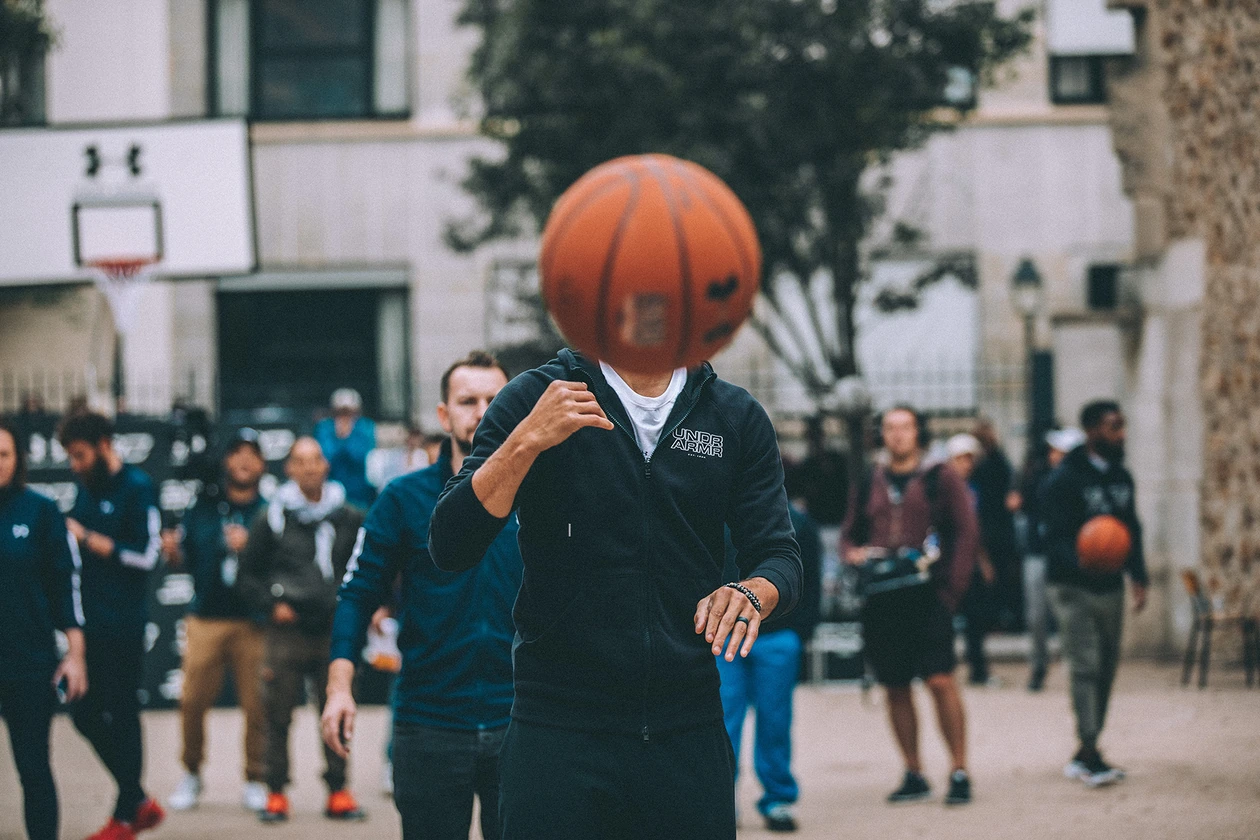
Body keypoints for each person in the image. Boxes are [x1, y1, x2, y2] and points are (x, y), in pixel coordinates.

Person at [428, 348, 803, 840]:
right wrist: (526, 441)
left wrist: (754, 591)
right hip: (557, 727)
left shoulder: (732, 414)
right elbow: (450, 544)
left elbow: (780, 556)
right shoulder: (535, 396)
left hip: (686, 726)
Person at [322, 351, 524, 840]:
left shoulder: (541, 495)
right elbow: (357, 593)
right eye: (467, 400)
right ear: (444, 414)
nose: (481, 411)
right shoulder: (403, 498)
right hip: (429, 723)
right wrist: (339, 686)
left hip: (522, 721)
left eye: (495, 400)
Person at [842, 406, 979, 806]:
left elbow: (967, 533)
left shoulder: (941, 476)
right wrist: (854, 553)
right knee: (895, 685)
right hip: (883, 596)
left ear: (919, 432)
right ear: (881, 434)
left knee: (940, 679)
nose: (898, 435)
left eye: (905, 427)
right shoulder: (870, 478)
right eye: (890, 428)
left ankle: (958, 768)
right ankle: (913, 770)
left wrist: (952, 590)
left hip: (928, 594)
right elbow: (849, 533)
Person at [236, 437, 367, 823]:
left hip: (334, 630)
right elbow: (247, 575)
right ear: (289, 469)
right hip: (287, 633)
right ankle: (275, 792)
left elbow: (367, 568)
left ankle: (339, 790)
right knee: (276, 714)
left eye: (316, 461)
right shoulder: (271, 518)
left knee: (338, 711)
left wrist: (364, 610)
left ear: (326, 466)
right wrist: (271, 604)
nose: (309, 468)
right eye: (300, 462)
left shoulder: (349, 515)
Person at [59, 411, 165, 840]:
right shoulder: (86, 488)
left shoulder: (138, 488)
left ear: (104, 445)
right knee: (82, 711)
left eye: (80, 455)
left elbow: (147, 556)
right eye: (70, 457)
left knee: (122, 713)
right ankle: (137, 799)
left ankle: (125, 814)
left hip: (125, 624)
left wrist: (89, 539)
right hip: (89, 624)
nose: (75, 464)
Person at [164, 429, 270, 812]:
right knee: (191, 700)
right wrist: (173, 552)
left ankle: (255, 778)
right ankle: (191, 773)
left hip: (253, 620)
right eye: (236, 452)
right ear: (225, 461)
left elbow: (280, 565)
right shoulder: (203, 506)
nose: (244, 460)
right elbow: (187, 557)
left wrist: (250, 547)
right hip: (206, 616)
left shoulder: (269, 511)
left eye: (252, 454)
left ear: (262, 463)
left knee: (257, 705)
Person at [1042, 401, 1147, 787]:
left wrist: (1138, 574)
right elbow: (1051, 537)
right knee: (1085, 664)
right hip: (1071, 585)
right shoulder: (1063, 479)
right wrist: (1084, 559)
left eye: (1122, 425)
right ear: (1090, 431)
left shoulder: (1122, 476)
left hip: (1109, 585)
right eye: (1112, 427)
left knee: (1106, 666)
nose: (1120, 434)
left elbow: (1132, 527)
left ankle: (1089, 745)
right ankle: (1088, 749)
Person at [0, 419, 88, 840]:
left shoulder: (40, 510)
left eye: (3, 454)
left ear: (18, 460)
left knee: (33, 769)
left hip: (28, 665)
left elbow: (63, 587)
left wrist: (75, 655)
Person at [717, 501, 821, 833]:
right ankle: (722, 799)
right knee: (721, 722)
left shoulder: (799, 522)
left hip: (778, 636)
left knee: (775, 720)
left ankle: (777, 799)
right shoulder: (712, 515)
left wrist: (800, 632)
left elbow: (811, 577)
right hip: (724, 633)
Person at [1021, 427, 1086, 692]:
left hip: (1067, 557)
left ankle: (1076, 667)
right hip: (1038, 552)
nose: (1054, 455)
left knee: (1070, 614)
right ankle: (1038, 665)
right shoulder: (1038, 476)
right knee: (1036, 615)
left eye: (1061, 451)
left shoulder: (1080, 483)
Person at [946, 433, 998, 687]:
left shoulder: (976, 489)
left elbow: (976, 531)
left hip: (971, 562)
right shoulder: (942, 489)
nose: (966, 465)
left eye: (969, 459)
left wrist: (984, 561)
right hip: (948, 561)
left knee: (976, 618)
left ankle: (978, 668)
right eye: (961, 459)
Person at [971, 419, 1023, 631]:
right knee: (997, 576)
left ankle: (1000, 619)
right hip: (994, 525)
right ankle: (1001, 619)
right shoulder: (992, 462)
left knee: (999, 576)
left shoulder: (991, 462)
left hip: (996, 525)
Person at [314, 388, 377, 511]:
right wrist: (339, 438)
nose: (344, 417)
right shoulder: (324, 427)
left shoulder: (366, 426)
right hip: (330, 490)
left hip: (359, 492)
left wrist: (347, 438)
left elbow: (361, 456)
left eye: (348, 413)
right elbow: (325, 457)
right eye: (340, 413)